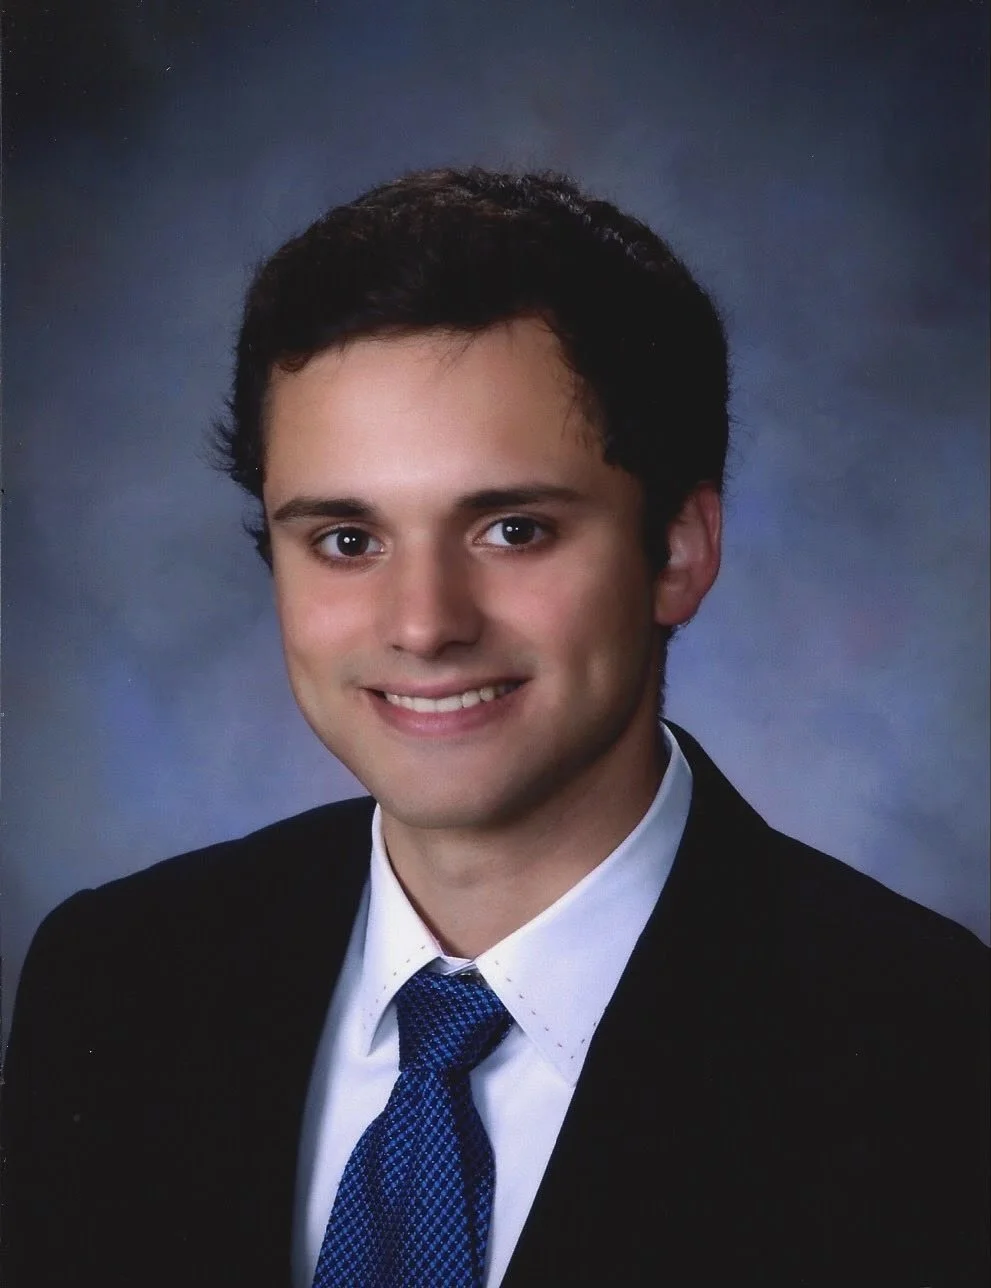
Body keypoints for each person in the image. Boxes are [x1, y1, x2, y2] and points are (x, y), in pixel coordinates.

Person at [2, 167, 987, 1288]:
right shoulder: (117, 983)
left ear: (677, 551)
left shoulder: (931, 1053)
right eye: (345, 540)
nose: (423, 624)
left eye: (513, 529)